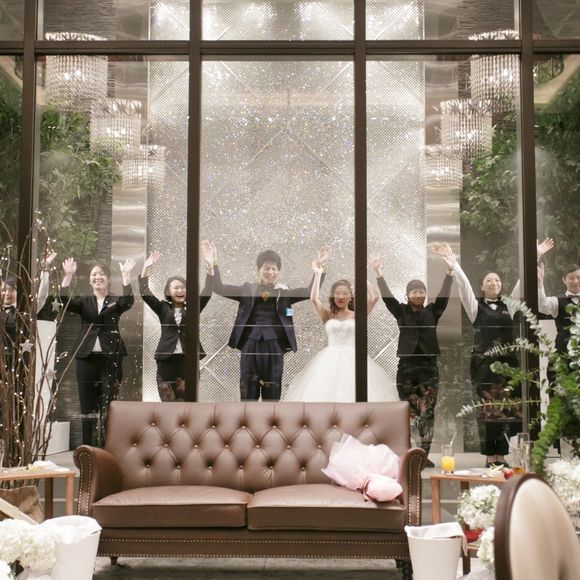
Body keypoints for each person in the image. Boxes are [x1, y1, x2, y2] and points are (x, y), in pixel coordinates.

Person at [430, 242, 557, 467]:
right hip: (483, 366)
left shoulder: (510, 305)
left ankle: (502, 454)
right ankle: (490, 455)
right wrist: (454, 265)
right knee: (487, 410)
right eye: (489, 280)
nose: (494, 283)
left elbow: (521, 282)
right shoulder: (475, 307)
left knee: (507, 409)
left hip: (508, 365)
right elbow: (464, 287)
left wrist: (536, 254)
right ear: (482, 287)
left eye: (497, 280)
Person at [203, 241, 330, 401]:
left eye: (274, 269)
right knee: (248, 396)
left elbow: (309, 291)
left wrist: (321, 268)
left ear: (278, 271)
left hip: (275, 347)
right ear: (259, 269)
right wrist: (213, 263)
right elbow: (219, 288)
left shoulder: (285, 292)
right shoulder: (246, 289)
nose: (270, 272)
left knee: (272, 396)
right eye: (266, 268)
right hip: (250, 345)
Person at [370, 249, 454, 465]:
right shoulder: (401, 311)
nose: (418, 294)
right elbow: (388, 299)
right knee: (407, 412)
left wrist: (449, 272)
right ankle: (410, 453)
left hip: (429, 367)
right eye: (414, 291)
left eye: (421, 291)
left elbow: (444, 295)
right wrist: (378, 274)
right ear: (407, 295)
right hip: (406, 368)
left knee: (428, 412)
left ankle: (423, 455)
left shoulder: (433, 311)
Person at [284, 261, 398, 402]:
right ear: (333, 297)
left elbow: (374, 296)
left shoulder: (358, 315)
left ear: (350, 297)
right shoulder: (327, 314)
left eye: (345, 293)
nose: (341, 296)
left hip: (354, 360)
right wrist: (318, 274)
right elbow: (313, 299)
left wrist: (361, 276)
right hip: (329, 360)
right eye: (337, 293)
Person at [60, 257, 136, 446]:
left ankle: (109, 447)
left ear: (108, 279)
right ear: (90, 280)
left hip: (111, 357)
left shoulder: (115, 301)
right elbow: (64, 301)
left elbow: (128, 302)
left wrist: (126, 277)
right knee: (87, 406)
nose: (98, 277)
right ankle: (88, 449)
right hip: (86, 358)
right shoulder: (84, 301)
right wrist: (67, 277)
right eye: (94, 274)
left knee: (110, 404)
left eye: (101, 274)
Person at [139, 245, 215, 401]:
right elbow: (144, 292)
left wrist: (209, 265)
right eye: (176, 288)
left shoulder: (193, 307)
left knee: (188, 404)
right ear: (168, 291)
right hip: (166, 362)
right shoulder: (162, 307)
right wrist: (146, 268)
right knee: (168, 403)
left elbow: (208, 289)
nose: (180, 291)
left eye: (183, 288)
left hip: (188, 361)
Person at [537, 259, 580, 357]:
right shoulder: (557, 301)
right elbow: (542, 305)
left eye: (578, 278)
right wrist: (540, 284)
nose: (575, 281)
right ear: (564, 280)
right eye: (571, 278)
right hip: (564, 354)